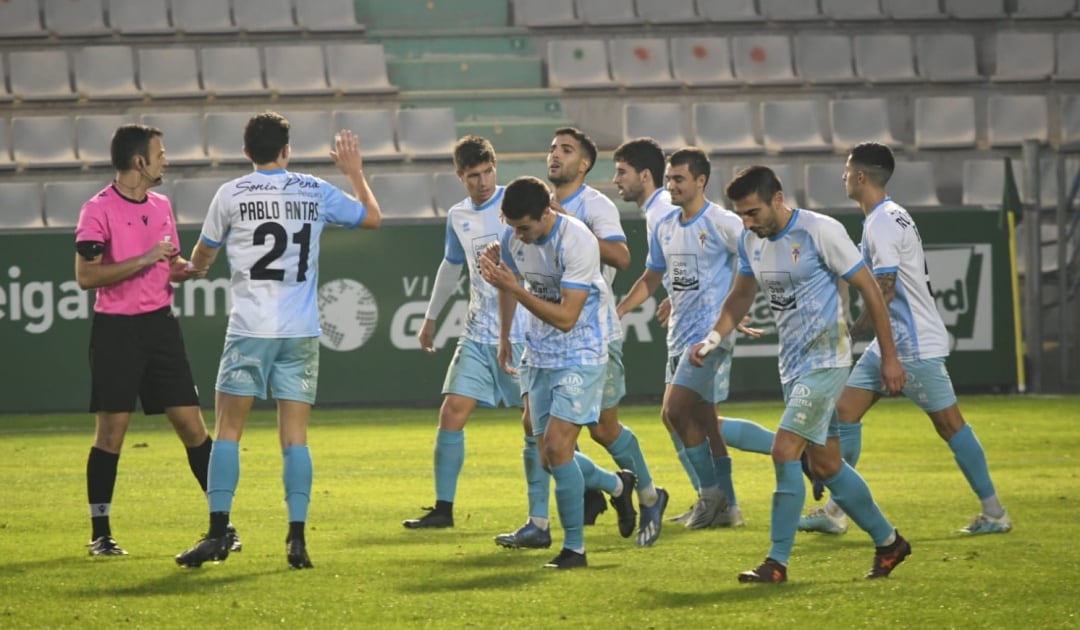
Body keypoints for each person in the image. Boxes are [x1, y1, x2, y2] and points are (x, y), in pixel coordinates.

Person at [174, 112, 381, 569]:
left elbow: (204, 253)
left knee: (228, 432)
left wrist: (195, 268)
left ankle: (216, 533)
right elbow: (371, 217)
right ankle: (296, 540)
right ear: (287, 150)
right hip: (300, 332)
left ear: (246, 152)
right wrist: (354, 173)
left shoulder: (231, 194)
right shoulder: (313, 190)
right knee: (295, 439)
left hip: (249, 329)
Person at [692, 165, 911, 583]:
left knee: (784, 450)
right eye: (740, 214)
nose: (747, 222)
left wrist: (889, 355)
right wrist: (713, 339)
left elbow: (869, 288)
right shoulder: (749, 239)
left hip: (827, 359)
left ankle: (776, 562)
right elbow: (739, 298)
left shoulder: (819, 231)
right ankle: (889, 542)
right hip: (792, 365)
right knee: (827, 464)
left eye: (753, 212)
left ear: (777, 198)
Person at [799, 142, 1011, 537]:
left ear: (861, 176)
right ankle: (835, 510)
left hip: (911, 345)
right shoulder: (891, 216)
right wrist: (863, 332)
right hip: (891, 341)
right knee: (844, 413)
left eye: (847, 171)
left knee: (950, 425)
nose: (844, 177)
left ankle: (995, 512)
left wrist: (887, 353)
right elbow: (883, 292)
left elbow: (886, 290)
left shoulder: (881, 223)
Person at [74, 123, 234, 557]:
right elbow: (86, 276)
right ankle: (101, 533)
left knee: (193, 427)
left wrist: (187, 268)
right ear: (139, 162)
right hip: (116, 332)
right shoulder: (97, 210)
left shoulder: (161, 204)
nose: (166, 160)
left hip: (161, 327)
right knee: (112, 433)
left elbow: (169, 262)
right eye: (160, 154)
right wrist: (144, 259)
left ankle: (223, 526)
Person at [613, 140, 777, 527]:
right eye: (669, 179)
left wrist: (732, 312)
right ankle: (730, 508)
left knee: (673, 412)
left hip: (708, 338)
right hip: (679, 336)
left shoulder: (722, 222)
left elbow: (753, 261)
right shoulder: (665, 224)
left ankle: (710, 497)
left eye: (680, 179)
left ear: (701, 181)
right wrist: (618, 311)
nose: (671, 186)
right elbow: (652, 276)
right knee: (704, 422)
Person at [479, 176, 635, 569]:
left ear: (547, 212)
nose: (518, 235)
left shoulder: (577, 240)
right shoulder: (515, 237)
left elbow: (567, 317)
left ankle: (575, 550)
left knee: (558, 446)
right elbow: (506, 281)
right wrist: (504, 338)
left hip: (581, 351)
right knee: (547, 453)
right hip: (539, 351)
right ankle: (619, 485)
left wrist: (514, 288)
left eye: (524, 228)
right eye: (513, 227)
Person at [402, 136, 542, 542]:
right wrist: (431, 318)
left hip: (525, 334)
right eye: (472, 176)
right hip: (478, 330)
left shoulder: (515, 207)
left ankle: (601, 488)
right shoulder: (458, 216)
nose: (482, 182)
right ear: (460, 177)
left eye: (487, 173)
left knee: (542, 430)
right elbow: (451, 267)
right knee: (452, 412)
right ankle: (443, 509)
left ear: (495, 168)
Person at [543, 127, 666, 546]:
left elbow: (621, 256)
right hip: (549, 334)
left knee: (600, 428)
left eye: (566, 150)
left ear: (585, 164)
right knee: (542, 431)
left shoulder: (593, 205)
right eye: (553, 149)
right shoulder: (540, 204)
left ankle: (646, 493)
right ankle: (606, 488)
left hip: (592, 332)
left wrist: (569, 228)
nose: (555, 156)